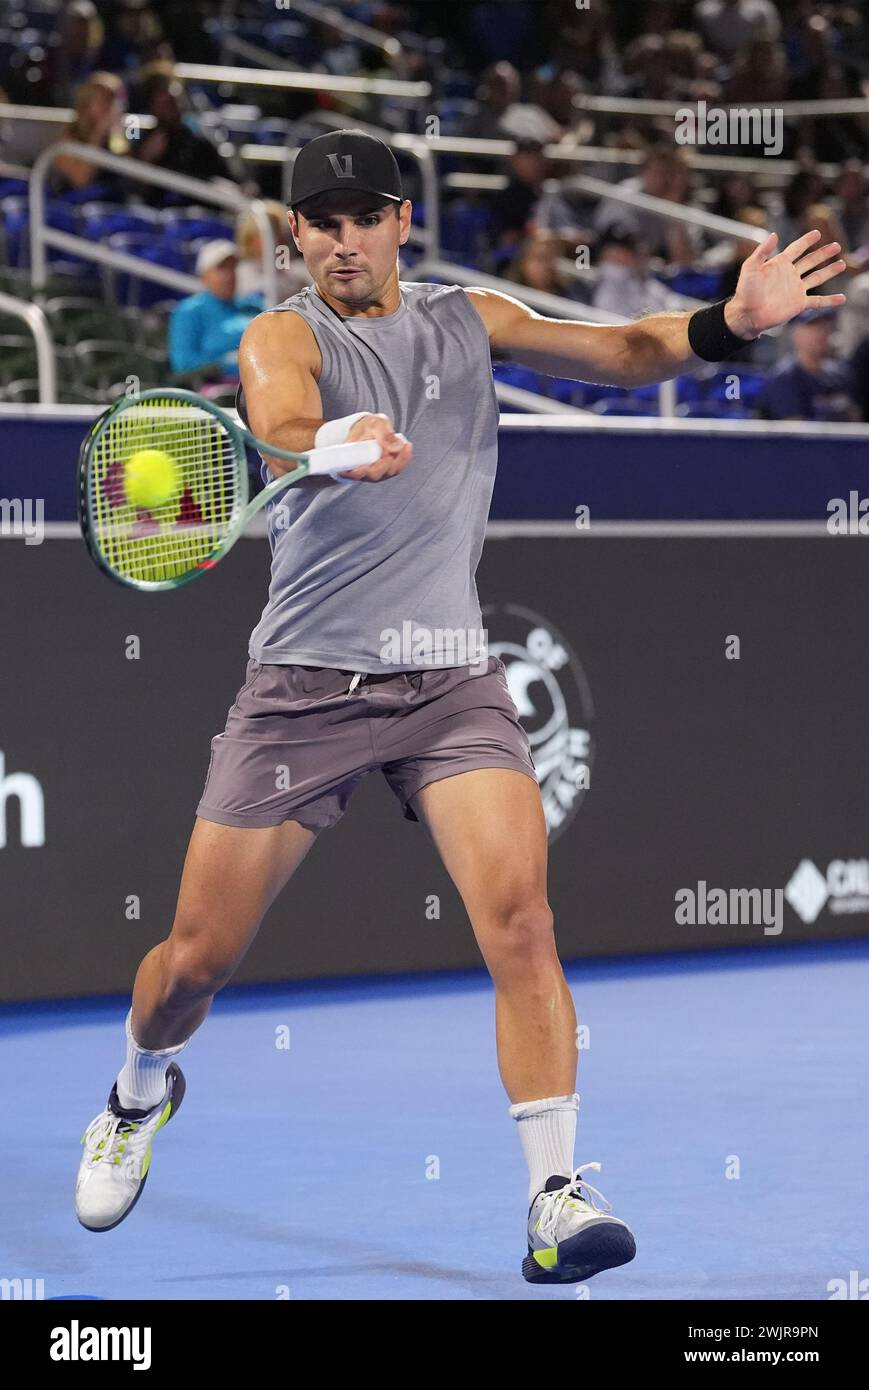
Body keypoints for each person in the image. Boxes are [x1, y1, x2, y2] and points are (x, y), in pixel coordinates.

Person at [73, 128, 847, 1287]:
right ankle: (138, 1089)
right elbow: (279, 417)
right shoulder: (283, 333)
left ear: (397, 223)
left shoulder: (467, 317)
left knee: (520, 920)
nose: (342, 241)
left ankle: (553, 1196)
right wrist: (330, 441)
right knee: (191, 965)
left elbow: (625, 346)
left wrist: (725, 325)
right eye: (319, 222)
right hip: (302, 695)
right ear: (295, 234)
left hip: (449, 684)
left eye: (362, 218)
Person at [168, 241, 262, 380]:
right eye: (221, 268)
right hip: (218, 391)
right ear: (204, 275)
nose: (229, 275)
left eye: (232, 268)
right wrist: (226, 364)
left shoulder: (254, 307)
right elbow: (182, 364)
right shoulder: (189, 311)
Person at [756, 308, 856, 422]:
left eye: (825, 327)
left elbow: (855, 419)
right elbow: (796, 432)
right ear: (794, 334)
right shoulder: (785, 378)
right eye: (813, 326)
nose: (821, 333)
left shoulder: (840, 374)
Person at [50, 72, 127, 193]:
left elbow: (127, 170)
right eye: (103, 100)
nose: (109, 107)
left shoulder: (120, 132)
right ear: (86, 103)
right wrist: (97, 135)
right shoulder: (69, 135)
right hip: (74, 202)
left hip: (111, 200)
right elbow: (81, 180)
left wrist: (116, 132)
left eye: (113, 102)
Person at [235, 201, 310, 304]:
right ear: (251, 238)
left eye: (278, 232)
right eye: (271, 232)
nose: (276, 239)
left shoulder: (299, 274)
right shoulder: (239, 275)